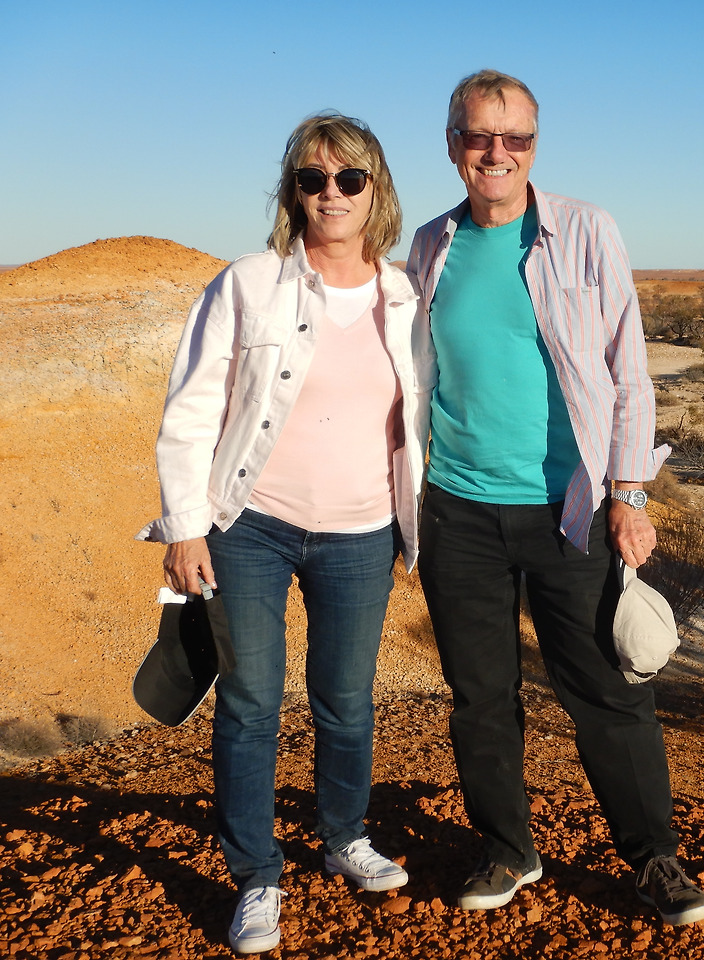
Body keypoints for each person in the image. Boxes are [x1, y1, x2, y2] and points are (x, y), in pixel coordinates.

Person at [405, 69, 704, 927]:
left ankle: (654, 861)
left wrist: (630, 491)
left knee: (607, 692)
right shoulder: (431, 244)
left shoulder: (583, 229)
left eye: (516, 139)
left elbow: (626, 369)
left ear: (535, 145)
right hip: (458, 505)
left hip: (569, 507)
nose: (496, 153)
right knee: (480, 693)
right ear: (453, 144)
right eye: (478, 137)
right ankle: (507, 848)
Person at [136, 114, 423, 954]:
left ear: (376, 189)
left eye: (348, 178)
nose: (329, 193)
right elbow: (191, 408)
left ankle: (344, 840)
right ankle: (257, 876)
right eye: (311, 178)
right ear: (291, 191)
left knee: (344, 702)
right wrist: (186, 528)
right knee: (252, 700)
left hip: (364, 531)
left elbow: (425, 420)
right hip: (250, 526)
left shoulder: (406, 296)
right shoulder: (249, 283)